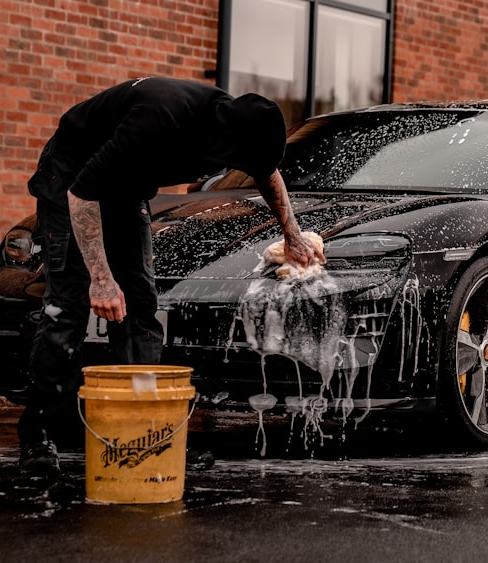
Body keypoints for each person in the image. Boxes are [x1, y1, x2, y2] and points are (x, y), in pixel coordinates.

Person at [18, 77, 324, 475]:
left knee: (141, 306)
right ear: (225, 140)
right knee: (69, 306)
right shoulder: (160, 118)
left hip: (124, 185)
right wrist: (101, 277)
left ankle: (145, 429)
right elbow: (83, 194)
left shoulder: (242, 123)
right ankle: (40, 432)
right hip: (72, 178)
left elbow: (267, 174)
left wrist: (293, 234)